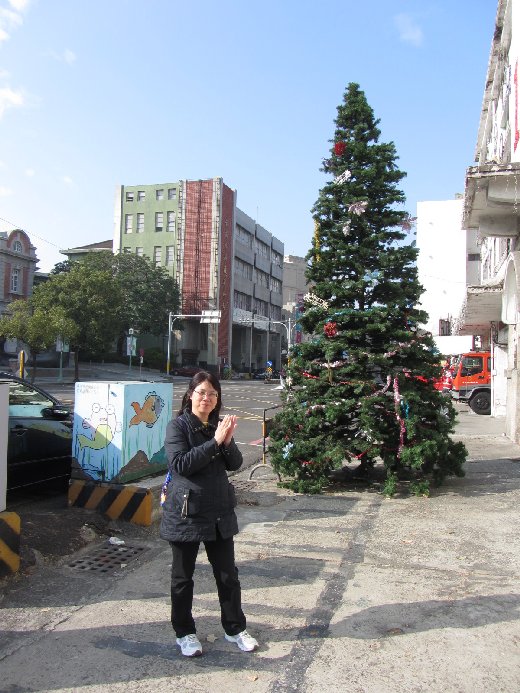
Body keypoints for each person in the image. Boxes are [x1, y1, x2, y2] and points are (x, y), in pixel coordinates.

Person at [160, 370, 259, 657]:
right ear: (191, 395)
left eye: (212, 394)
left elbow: (235, 463)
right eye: (202, 392)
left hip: (218, 512)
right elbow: (181, 464)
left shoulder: (217, 426)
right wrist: (214, 442)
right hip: (186, 512)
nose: (207, 398)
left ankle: (235, 628)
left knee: (228, 575)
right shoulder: (177, 427)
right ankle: (185, 632)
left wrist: (226, 441)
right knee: (183, 577)